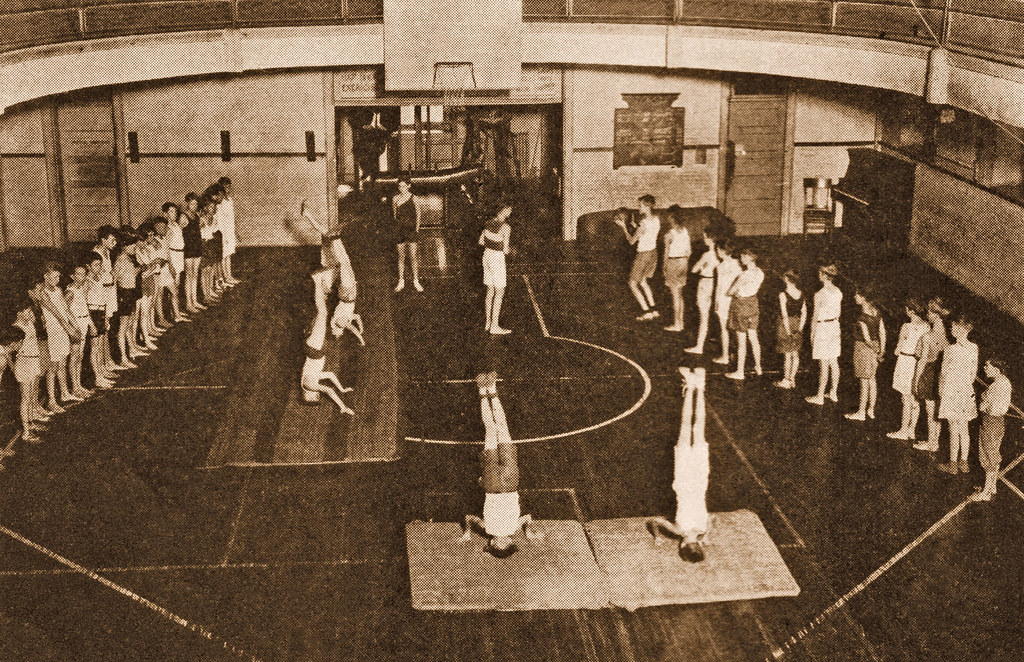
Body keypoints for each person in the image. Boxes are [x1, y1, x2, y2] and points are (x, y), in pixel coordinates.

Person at [459, 371, 538, 558]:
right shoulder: (512, 528)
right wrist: (529, 532)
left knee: (492, 430)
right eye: (505, 544)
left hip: (493, 485)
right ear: (511, 542)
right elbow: (527, 518)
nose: (501, 541)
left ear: (492, 543)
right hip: (509, 483)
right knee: (501, 428)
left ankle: (483, 390)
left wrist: (467, 533)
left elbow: (469, 517)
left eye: (497, 544)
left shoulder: (490, 529)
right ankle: (490, 389)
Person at [647, 367, 710, 562]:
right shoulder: (678, 530)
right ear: (682, 545)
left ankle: (699, 386)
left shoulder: (702, 528)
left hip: (699, 478)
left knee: (698, 427)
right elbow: (653, 521)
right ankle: (691, 387)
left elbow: (714, 519)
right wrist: (657, 537)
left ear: (698, 545)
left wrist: (707, 536)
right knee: (685, 426)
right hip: (684, 478)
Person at [300, 268, 355, 414]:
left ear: (308, 396)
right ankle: (322, 282)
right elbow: (330, 375)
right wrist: (342, 389)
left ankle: (317, 279)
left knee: (322, 313)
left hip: (315, 349)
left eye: (315, 397)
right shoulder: (312, 380)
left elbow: (328, 390)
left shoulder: (309, 385)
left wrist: (342, 407)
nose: (317, 395)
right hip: (314, 349)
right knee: (321, 312)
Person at [936, 314, 978, 474]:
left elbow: (943, 373)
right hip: (966, 390)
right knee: (964, 428)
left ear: (960, 329)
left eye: (953, 327)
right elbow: (973, 374)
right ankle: (964, 462)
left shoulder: (950, 349)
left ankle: (953, 464)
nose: (951, 329)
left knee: (953, 428)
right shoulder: (974, 348)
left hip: (951, 390)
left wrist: (941, 390)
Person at [39, 261, 82, 412]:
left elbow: (65, 308)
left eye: (58, 277)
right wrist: (69, 328)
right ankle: (51, 400)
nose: (57, 280)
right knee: (53, 366)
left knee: (62, 363)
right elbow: (57, 314)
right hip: (53, 332)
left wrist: (75, 324)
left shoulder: (58, 289)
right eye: (54, 276)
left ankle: (64, 393)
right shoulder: (43, 293)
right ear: (45, 276)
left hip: (63, 331)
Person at [887, 299, 930, 440]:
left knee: (905, 398)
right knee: (914, 398)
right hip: (917, 363)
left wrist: (897, 349)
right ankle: (911, 429)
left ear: (911, 311)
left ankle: (903, 430)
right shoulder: (927, 327)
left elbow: (897, 348)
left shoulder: (906, 326)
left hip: (905, 361)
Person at [912, 297, 950, 452]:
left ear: (935, 315)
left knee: (929, 410)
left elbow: (921, 361)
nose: (927, 314)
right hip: (941, 374)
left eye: (929, 311)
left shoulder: (928, 337)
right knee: (936, 411)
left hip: (928, 373)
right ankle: (935, 442)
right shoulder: (947, 337)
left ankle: (931, 442)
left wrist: (915, 380)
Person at [615, 195, 660, 320]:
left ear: (646, 206)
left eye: (640, 206)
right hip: (653, 253)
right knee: (644, 281)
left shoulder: (644, 223)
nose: (638, 208)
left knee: (632, 284)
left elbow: (631, 241)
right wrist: (636, 227)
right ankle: (654, 310)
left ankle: (646, 312)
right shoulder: (656, 219)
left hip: (644, 255)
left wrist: (624, 227)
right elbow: (647, 233)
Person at [972, 358, 1011, 501]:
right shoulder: (1004, 382)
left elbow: (986, 407)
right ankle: (992, 486)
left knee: (988, 457)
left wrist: (983, 404)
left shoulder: (997, 386)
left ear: (997, 369)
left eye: (987, 366)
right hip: (997, 423)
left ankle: (986, 493)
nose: (984, 368)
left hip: (990, 422)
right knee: (993, 454)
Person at [846, 289, 886, 421]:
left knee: (864, 381)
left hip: (863, 349)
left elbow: (866, 339)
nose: (854, 296)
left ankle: (861, 412)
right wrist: (881, 350)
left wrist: (874, 349)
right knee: (872, 380)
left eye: (857, 294)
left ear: (863, 298)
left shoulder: (862, 317)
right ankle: (871, 410)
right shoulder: (877, 313)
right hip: (876, 346)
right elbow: (882, 332)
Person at [724, 247, 764, 379]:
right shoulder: (760, 272)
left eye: (742, 256)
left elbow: (730, 291)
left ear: (748, 257)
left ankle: (740, 372)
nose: (741, 259)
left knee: (742, 341)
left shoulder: (744, 275)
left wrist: (735, 292)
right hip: (753, 305)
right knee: (754, 338)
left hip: (741, 306)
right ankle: (758, 366)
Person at [806, 264, 842, 405]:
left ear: (824, 275)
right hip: (834, 326)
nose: (818, 275)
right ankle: (833, 392)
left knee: (824, 364)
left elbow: (814, 317)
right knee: (834, 361)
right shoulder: (838, 291)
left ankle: (820, 396)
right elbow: (838, 312)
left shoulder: (820, 294)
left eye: (819, 273)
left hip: (823, 328)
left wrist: (812, 334)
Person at [10, 302, 45, 443]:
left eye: (31, 312)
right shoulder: (17, 328)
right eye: (27, 311)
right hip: (24, 363)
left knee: (31, 396)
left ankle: (30, 423)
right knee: (25, 398)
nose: (31, 314)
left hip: (33, 360)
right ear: (19, 313)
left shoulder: (30, 323)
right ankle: (26, 432)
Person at [85, 253, 118, 388]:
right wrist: (90, 321)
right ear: (88, 266)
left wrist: (104, 316)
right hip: (92, 313)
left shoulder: (99, 278)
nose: (99, 267)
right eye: (96, 265)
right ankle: (98, 377)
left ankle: (101, 372)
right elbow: (83, 302)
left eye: (100, 265)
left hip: (101, 312)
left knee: (98, 347)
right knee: (95, 348)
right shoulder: (87, 281)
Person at [480, 204, 512, 335]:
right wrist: (511, 250)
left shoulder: (488, 223)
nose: (511, 212)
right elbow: (505, 250)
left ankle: (488, 322)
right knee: (500, 292)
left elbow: (481, 241)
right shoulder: (506, 227)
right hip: (496, 259)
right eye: (510, 209)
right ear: (503, 210)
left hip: (486, 256)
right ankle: (494, 326)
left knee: (490, 291)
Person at [685, 231, 719, 355]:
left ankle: (699, 346)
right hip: (717, 284)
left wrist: (703, 268)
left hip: (705, 283)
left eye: (705, 237)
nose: (704, 240)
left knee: (703, 317)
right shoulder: (721, 254)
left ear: (711, 239)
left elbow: (694, 269)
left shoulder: (707, 254)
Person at [65, 262, 94, 400]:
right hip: (76, 325)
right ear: (72, 276)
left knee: (80, 356)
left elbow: (85, 308)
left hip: (84, 322)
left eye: (84, 274)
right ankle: (75, 387)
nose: (82, 277)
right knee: (74, 357)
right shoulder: (70, 292)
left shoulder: (80, 289)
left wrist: (91, 324)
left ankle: (78, 384)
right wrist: (74, 327)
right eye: (79, 274)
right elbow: (65, 310)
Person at [92, 226, 119, 371]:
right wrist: (110, 276)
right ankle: (102, 365)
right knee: (103, 329)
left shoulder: (107, 252)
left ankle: (107, 361)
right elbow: (99, 278)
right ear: (103, 240)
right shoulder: (96, 254)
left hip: (109, 292)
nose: (115, 242)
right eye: (112, 239)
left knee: (106, 328)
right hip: (102, 294)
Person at [774, 270, 806, 389]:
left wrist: (787, 331)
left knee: (787, 355)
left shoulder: (783, 294)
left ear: (786, 279)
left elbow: (784, 314)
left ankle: (786, 380)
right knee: (795, 354)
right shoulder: (801, 294)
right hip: (797, 324)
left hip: (785, 325)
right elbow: (804, 313)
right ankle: (793, 379)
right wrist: (800, 329)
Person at [712, 239, 741, 365]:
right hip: (736, 299)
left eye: (718, 250)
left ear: (722, 251)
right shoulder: (738, 264)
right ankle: (735, 354)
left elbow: (718, 287)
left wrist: (716, 303)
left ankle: (725, 356)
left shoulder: (720, 267)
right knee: (736, 330)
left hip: (724, 299)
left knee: (724, 329)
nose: (717, 252)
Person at [661, 206, 691, 332]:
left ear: (672, 218)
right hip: (684, 262)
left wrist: (664, 267)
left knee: (675, 295)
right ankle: (681, 322)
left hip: (673, 262)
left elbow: (666, 253)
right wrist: (684, 262)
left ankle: (677, 324)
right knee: (680, 294)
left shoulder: (669, 234)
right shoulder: (685, 231)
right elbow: (689, 251)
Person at [392, 176, 423, 293]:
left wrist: (416, 229)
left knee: (413, 257)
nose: (402, 188)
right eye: (400, 186)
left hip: (411, 231)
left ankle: (416, 280)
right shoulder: (395, 199)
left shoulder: (414, 198)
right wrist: (397, 228)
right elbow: (395, 216)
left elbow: (418, 215)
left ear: (409, 186)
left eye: (404, 186)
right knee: (401, 257)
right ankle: (401, 280)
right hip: (399, 231)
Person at [161, 203, 190, 324]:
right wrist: (171, 264)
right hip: (172, 256)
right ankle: (176, 315)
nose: (174, 214)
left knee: (176, 286)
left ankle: (175, 311)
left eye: (175, 212)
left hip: (179, 255)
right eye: (171, 212)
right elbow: (166, 248)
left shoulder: (176, 225)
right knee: (173, 287)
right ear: (165, 214)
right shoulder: (167, 228)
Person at [181, 193, 205, 314]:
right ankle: (188, 303)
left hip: (197, 247)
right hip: (188, 248)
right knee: (189, 275)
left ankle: (194, 301)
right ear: (187, 203)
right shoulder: (183, 217)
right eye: (192, 203)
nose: (194, 206)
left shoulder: (196, 216)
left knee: (195, 274)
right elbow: (178, 233)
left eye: (196, 204)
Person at [217, 177, 241, 286]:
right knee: (224, 255)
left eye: (229, 187)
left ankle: (229, 276)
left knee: (229, 254)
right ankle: (224, 277)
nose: (228, 189)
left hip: (230, 231)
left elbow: (232, 218)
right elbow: (220, 220)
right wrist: (223, 235)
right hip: (223, 232)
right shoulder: (219, 202)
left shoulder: (230, 200)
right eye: (225, 187)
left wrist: (235, 232)